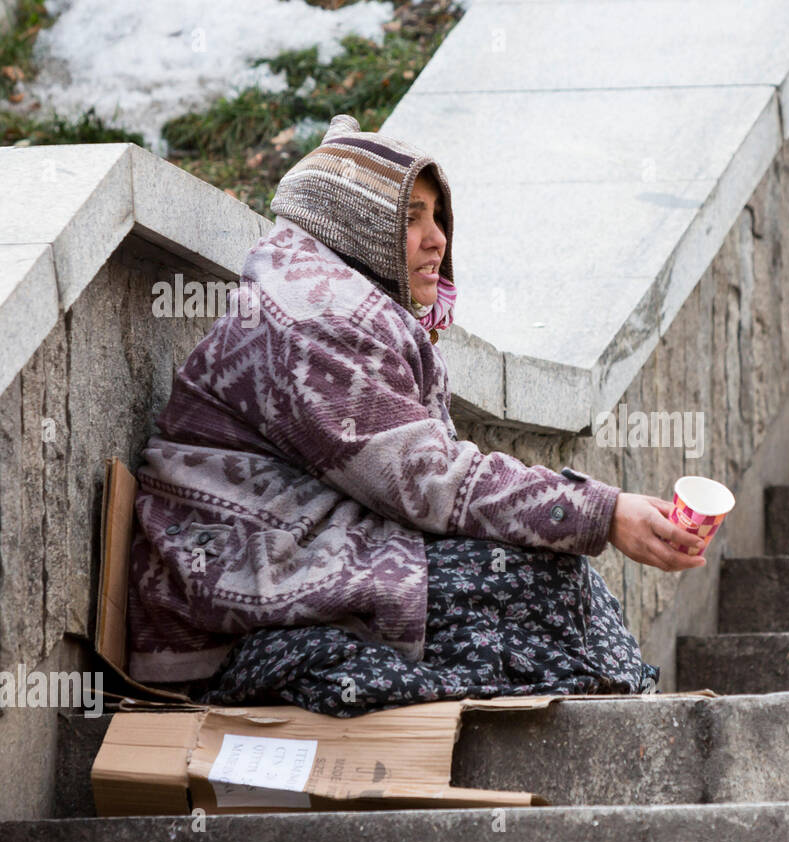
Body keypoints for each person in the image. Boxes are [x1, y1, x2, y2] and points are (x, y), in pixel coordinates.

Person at [125, 113, 704, 717]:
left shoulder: (333, 305)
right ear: (357, 227)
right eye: (411, 218)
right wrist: (601, 512)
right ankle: (633, 722)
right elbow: (431, 483)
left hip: (288, 554)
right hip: (227, 600)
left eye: (438, 217)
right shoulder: (312, 320)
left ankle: (631, 716)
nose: (438, 240)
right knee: (531, 581)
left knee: (547, 579)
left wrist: (596, 516)